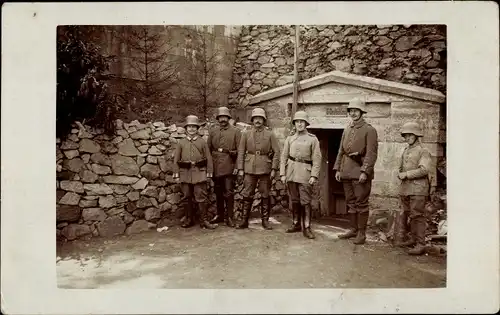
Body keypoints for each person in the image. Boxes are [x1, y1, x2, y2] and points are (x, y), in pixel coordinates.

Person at [333, 99, 378, 245]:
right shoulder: (347, 129)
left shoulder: (369, 130)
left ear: (361, 112)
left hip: (359, 173)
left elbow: (371, 154)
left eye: (356, 110)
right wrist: (338, 169)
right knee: (350, 202)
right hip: (346, 171)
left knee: (361, 203)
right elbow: (341, 150)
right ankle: (353, 229)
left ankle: (361, 233)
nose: (353, 113)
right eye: (351, 111)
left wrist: (365, 171)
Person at [236, 107, 280, 230]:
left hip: (265, 167)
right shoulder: (246, 133)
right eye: (255, 118)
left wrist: (274, 169)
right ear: (252, 120)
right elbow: (241, 151)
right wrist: (240, 168)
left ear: (264, 120)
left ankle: (265, 221)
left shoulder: (270, 134)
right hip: (249, 168)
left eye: (260, 118)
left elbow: (277, 152)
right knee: (247, 194)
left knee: (265, 194)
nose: (258, 121)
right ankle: (244, 220)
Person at [280, 111, 322, 239]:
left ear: (306, 124)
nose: (299, 124)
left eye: (302, 122)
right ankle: (296, 223)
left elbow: (317, 158)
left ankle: (307, 227)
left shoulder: (312, 139)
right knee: (294, 200)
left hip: (305, 172)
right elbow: (283, 157)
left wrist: (314, 175)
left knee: (305, 201)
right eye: (297, 122)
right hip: (291, 172)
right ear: (294, 124)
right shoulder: (290, 138)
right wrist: (282, 173)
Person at [396, 121, 436, 255]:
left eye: (409, 135)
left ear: (416, 135)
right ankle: (413, 239)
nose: (406, 138)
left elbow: (424, 170)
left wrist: (406, 174)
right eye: (405, 135)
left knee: (418, 216)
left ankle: (421, 244)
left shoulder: (423, 151)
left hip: (418, 189)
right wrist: (399, 172)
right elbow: (401, 167)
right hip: (406, 189)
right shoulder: (406, 150)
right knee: (410, 215)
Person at [173, 115, 217, 230]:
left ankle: (204, 221)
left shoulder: (202, 142)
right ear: (186, 128)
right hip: (185, 173)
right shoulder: (181, 143)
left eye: (194, 127)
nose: (191, 129)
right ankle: (189, 219)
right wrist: (176, 174)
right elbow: (176, 160)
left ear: (197, 129)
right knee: (186, 197)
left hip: (199, 172)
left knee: (201, 197)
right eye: (189, 127)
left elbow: (208, 158)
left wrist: (209, 173)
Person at [207, 106, 241, 227]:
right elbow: (208, 150)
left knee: (229, 192)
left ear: (228, 118)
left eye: (225, 117)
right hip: (216, 166)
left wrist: (237, 166)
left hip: (229, 165)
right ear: (218, 118)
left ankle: (230, 217)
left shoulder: (236, 131)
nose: (223, 119)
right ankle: (220, 215)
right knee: (218, 192)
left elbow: (240, 151)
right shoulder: (213, 131)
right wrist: (210, 168)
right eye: (221, 117)